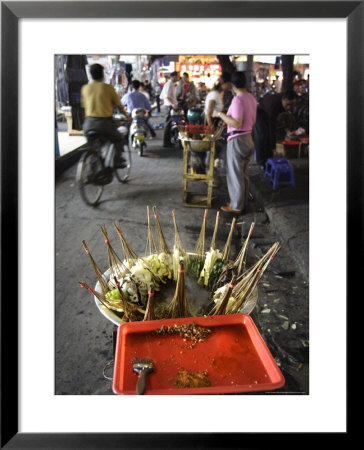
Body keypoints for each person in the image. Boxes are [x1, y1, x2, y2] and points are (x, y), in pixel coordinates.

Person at [212, 71, 257, 215]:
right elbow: (251, 120)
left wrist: (220, 114)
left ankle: (237, 206)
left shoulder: (238, 100)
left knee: (235, 174)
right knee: (243, 173)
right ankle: (240, 203)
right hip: (248, 138)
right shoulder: (251, 98)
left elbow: (237, 123)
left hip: (237, 139)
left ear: (232, 85)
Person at [81, 63, 131, 168]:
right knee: (118, 138)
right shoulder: (108, 88)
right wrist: (127, 117)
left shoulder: (85, 88)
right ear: (102, 74)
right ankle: (116, 161)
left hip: (88, 124)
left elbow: (84, 106)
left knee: (93, 146)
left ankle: (94, 163)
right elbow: (120, 106)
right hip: (104, 124)